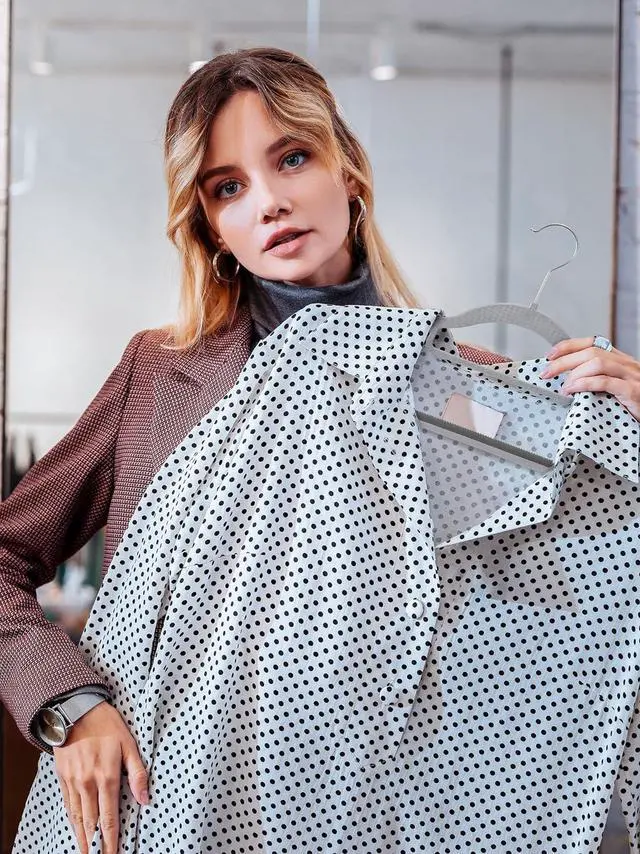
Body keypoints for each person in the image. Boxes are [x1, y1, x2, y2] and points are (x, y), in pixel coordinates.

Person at [3, 46, 640, 854]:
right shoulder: (163, 375)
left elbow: (561, 576)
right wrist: (70, 705)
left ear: (349, 172)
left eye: (293, 158)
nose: (269, 201)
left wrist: (621, 432)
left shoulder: (458, 400)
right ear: (211, 228)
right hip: (166, 802)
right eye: (228, 187)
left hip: (374, 813)